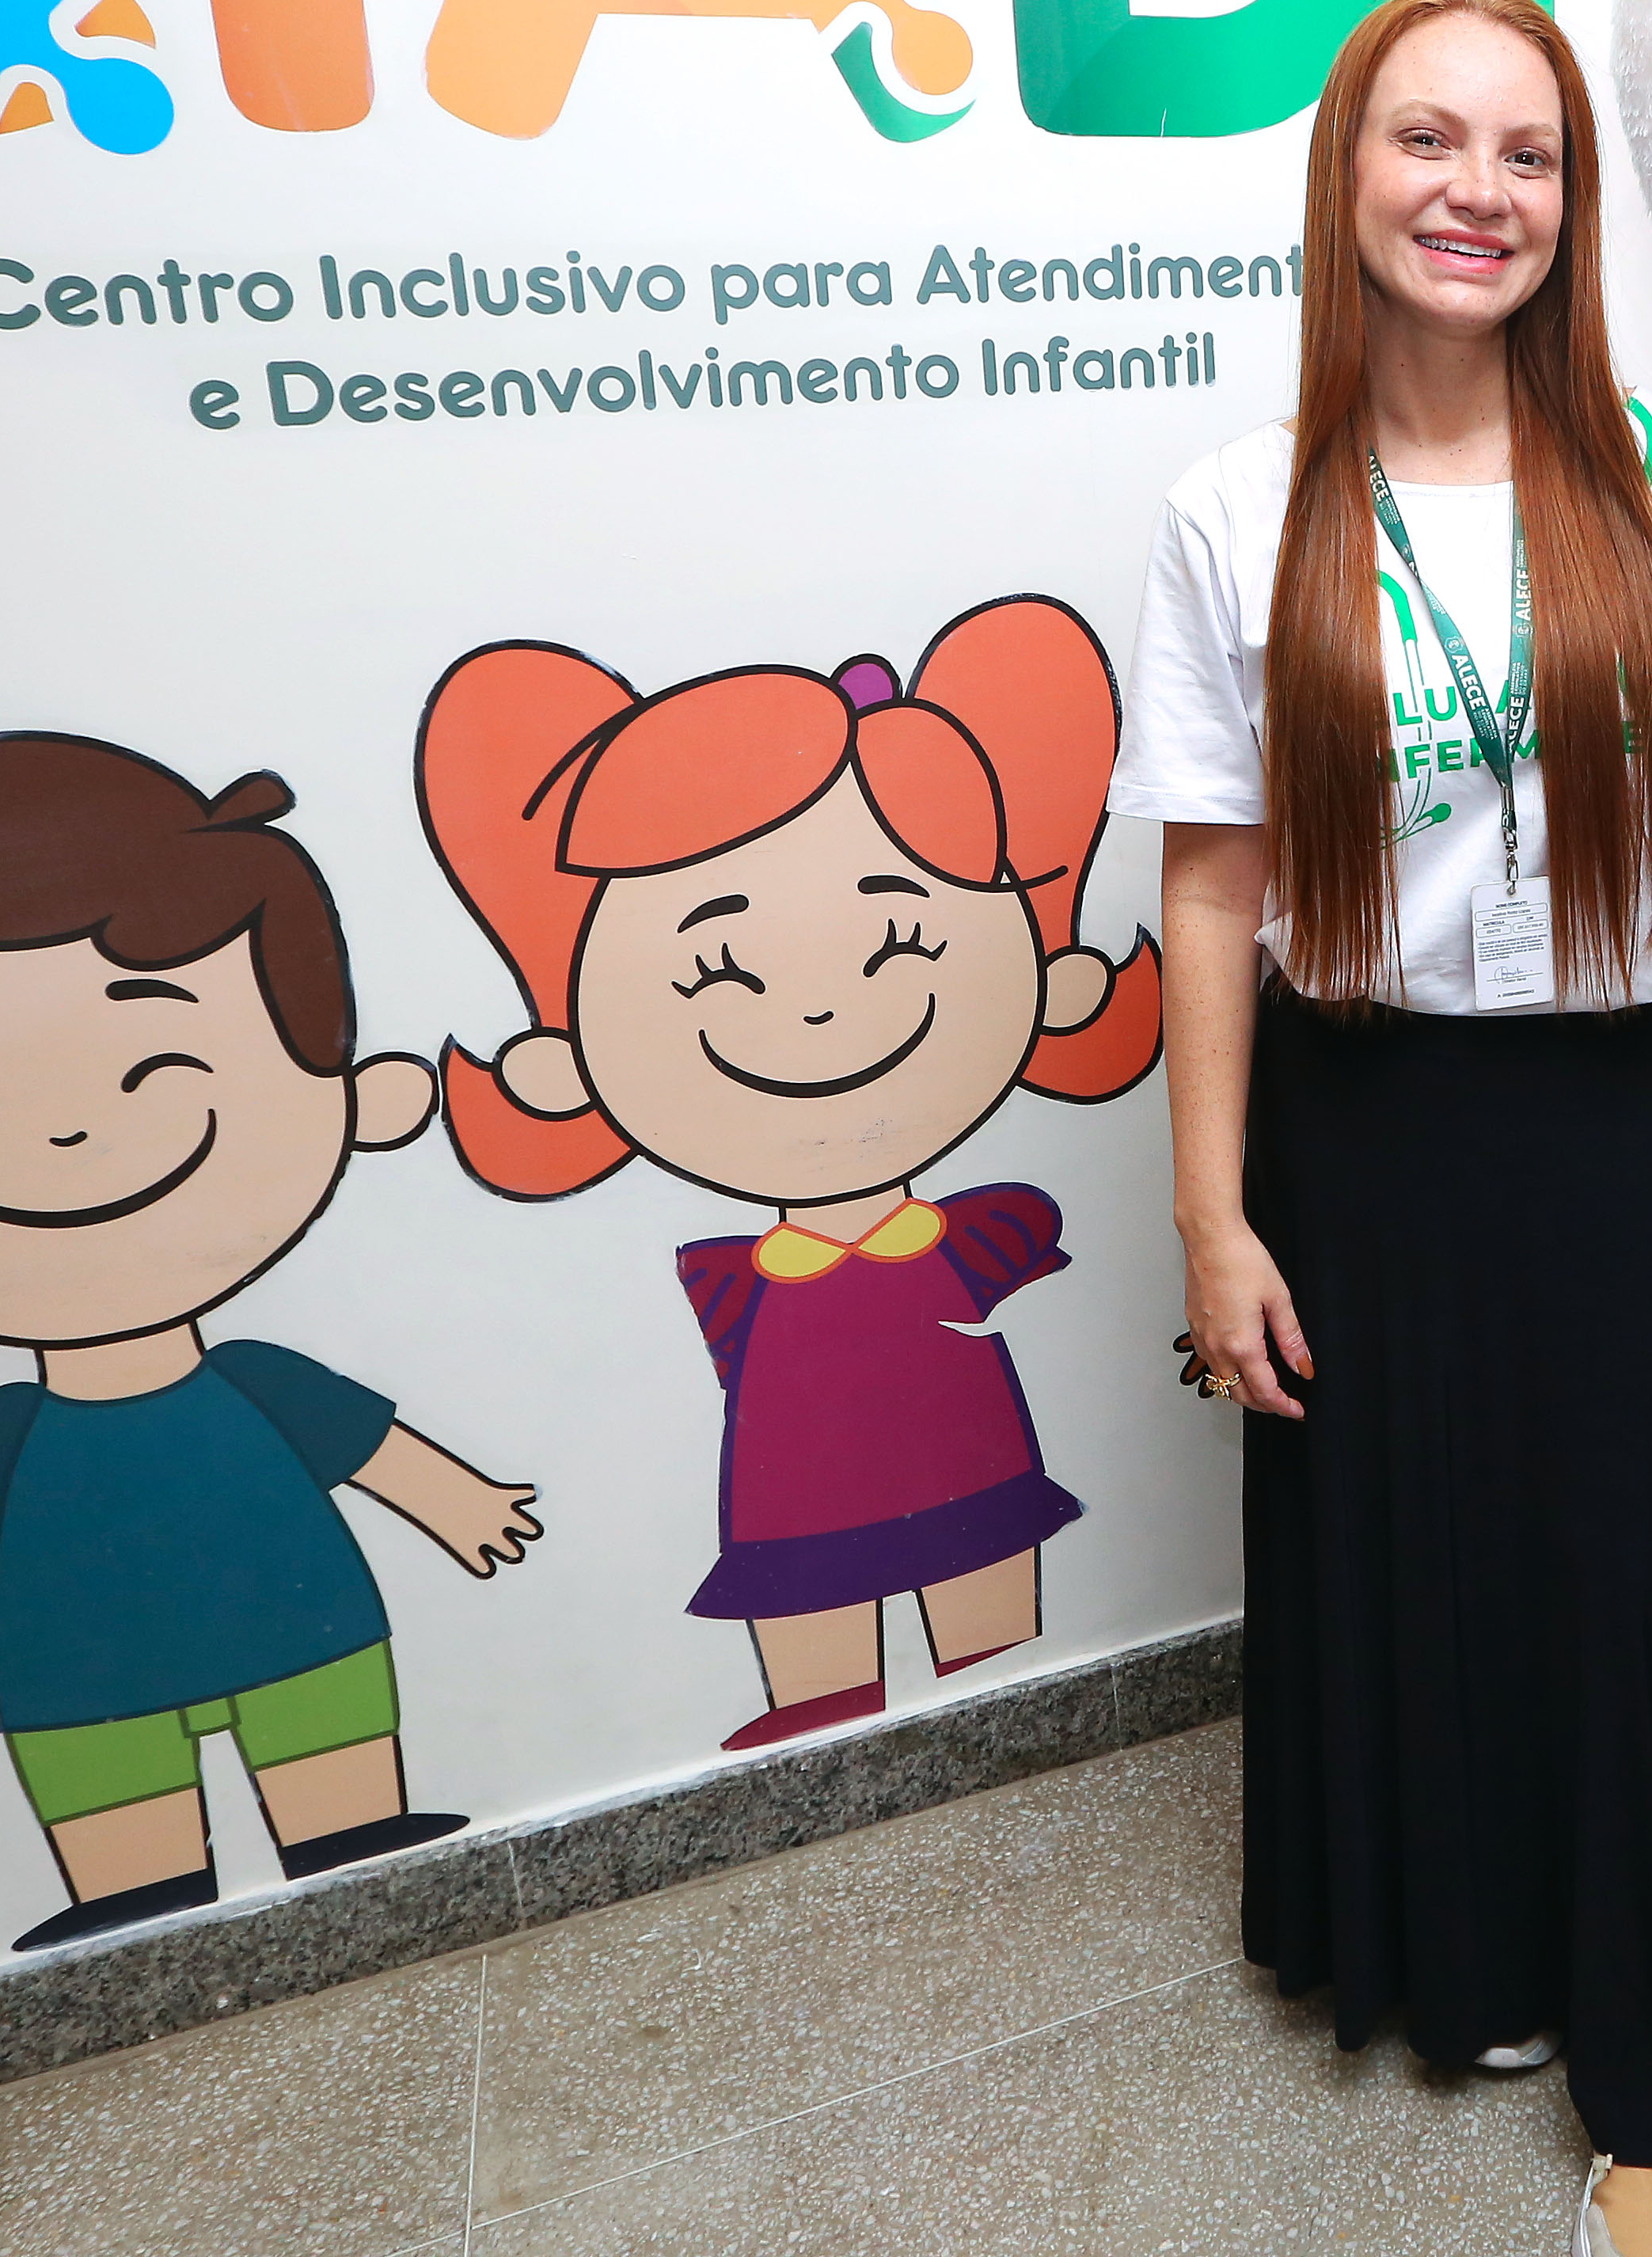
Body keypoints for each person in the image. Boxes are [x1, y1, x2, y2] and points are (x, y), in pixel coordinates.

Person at [1114, 0, 1652, 2257]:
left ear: (1570, 205)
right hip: (1359, 1123)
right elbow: (1211, 884)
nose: (1477, 193)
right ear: (1348, 174)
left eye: (1529, 156)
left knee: (1621, 1573)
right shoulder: (1242, 513)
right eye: (1429, 140)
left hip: (1617, 1119)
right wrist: (1213, 1221)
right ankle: (1467, 1955)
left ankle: (1646, 2060)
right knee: (1406, 1551)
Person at [0, 734, 541, 1953]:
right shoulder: (2, 1438)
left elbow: (377, 1451)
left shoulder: (260, 1385)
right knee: (134, 1879)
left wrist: (464, 1503)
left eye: (159, 1069)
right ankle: (137, 1925)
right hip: (81, 1680)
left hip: (303, 1635)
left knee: (342, 1808)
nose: (67, 1135)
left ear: (356, 1099)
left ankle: (349, 1847)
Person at [416, 601, 1164, 1750]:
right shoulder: (731, 1276)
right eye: (716, 971)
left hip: (971, 1462)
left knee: (993, 1627)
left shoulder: (977, 1232)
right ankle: (820, 1717)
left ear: (1045, 972)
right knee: (811, 1635)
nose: (816, 1011)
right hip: (792, 1498)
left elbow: (1045, 1251)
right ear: (566, 1053)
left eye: (901, 944)